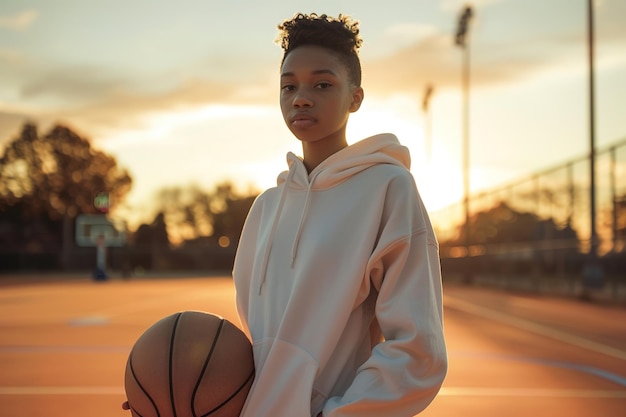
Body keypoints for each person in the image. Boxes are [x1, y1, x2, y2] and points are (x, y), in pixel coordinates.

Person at [232, 12, 447, 417]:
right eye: (288, 86)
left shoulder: (388, 188)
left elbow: (419, 352)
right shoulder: (265, 208)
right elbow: (258, 347)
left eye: (322, 84)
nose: (301, 97)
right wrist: (177, 385)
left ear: (356, 97)